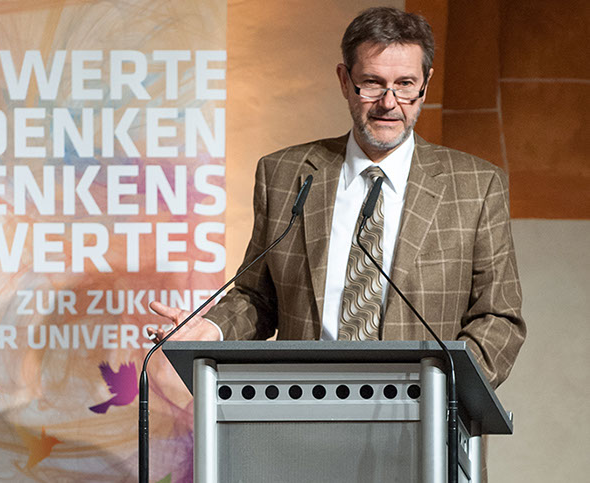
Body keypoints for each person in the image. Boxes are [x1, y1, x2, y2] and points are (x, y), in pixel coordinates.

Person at [148, 7, 525, 389]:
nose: (389, 102)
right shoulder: (283, 175)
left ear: (425, 83)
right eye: (372, 83)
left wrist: (446, 390)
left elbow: (499, 317)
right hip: (302, 406)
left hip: (423, 408)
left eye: (406, 84)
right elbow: (257, 298)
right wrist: (212, 329)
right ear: (345, 80)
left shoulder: (476, 186)